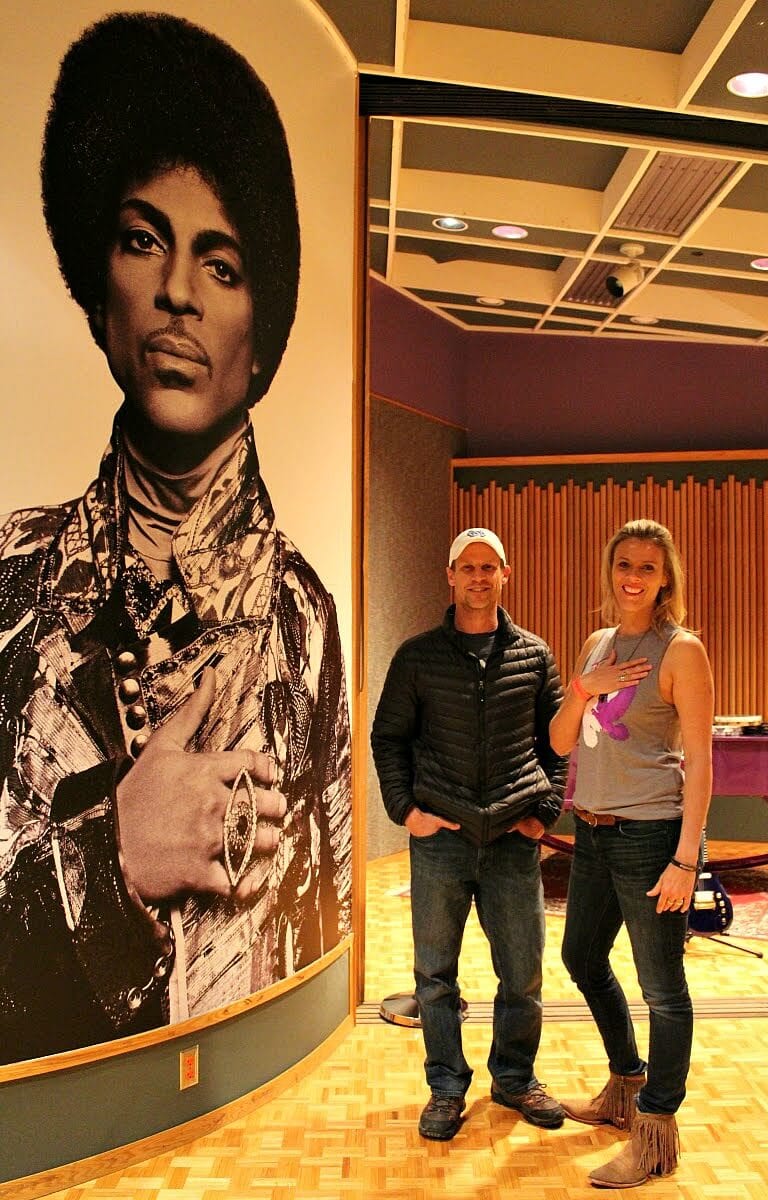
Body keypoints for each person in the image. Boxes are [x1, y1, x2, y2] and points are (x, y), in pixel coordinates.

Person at [0, 13, 351, 1064]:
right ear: (96, 277)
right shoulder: (14, 579)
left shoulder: (301, 621)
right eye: (143, 239)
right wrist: (110, 853)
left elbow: (322, 910)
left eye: (223, 263)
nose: (177, 293)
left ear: (263, 329)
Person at [371, 527, 567, 1141]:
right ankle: (446, 1087)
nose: (478, 577)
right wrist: (407, 812)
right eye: (467, 567)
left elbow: (558, 743)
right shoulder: (417, 656)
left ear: (505, 575)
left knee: (523, 974)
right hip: (441, 842)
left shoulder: (534, 657)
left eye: (490, 567)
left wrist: (548, 811)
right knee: (435, 975)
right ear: (450, 576)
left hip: (513, 840)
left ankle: (513, 1078)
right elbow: (388, 738)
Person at [549, 518, 713, 1188]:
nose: (634, 577)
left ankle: (654, 1130)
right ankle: (624, 1081)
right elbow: (562, 742)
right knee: (581, 956)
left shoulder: (682, 652)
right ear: (610, 569)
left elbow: (702, 761)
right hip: (591, 827)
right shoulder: (597, 644)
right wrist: (586, 685)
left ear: (665, 575)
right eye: (624, 564)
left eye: (648, 567)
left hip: (650, 834)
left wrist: (685, 860)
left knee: (663, 989)